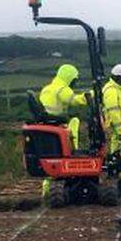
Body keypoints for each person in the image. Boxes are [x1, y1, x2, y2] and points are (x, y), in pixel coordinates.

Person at [38, 64, 90, 196]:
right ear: (69, 78)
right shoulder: (62, 89)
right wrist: (90, 96)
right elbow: (74, 100)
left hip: (47, 123)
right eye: (74, 80)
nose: (74, 83)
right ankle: (73, 151)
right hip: (57, 125)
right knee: (75, 122)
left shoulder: (47, 89)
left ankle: (46, 191)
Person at [101, 63, 121, 160]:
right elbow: (114, 113)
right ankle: (120, 174)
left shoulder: (117, 89)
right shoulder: (112, 91)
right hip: (119, 132)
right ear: (119, 78)